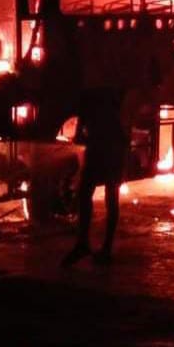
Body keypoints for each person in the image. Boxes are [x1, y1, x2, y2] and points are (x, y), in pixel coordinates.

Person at [61, 87, 128, 266]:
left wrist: (79, 138)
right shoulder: (110, 89)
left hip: (101, 146)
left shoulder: (88, 93)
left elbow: (80, 133)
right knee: (110, 196)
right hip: (114, 146)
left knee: (86, 193)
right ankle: (104, 247)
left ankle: (84, 243)